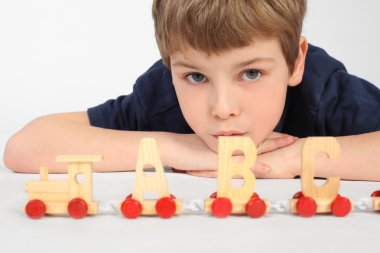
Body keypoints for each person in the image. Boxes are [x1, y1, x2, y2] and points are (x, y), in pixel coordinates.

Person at [4, 0, 380, 180]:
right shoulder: (161, 98)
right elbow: (25, 146)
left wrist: (297, 158)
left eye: (250, 73)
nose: (222, 108)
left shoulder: (323, 90)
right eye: (196, 77)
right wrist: (176, 148)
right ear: (171, 68)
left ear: (296, 62)